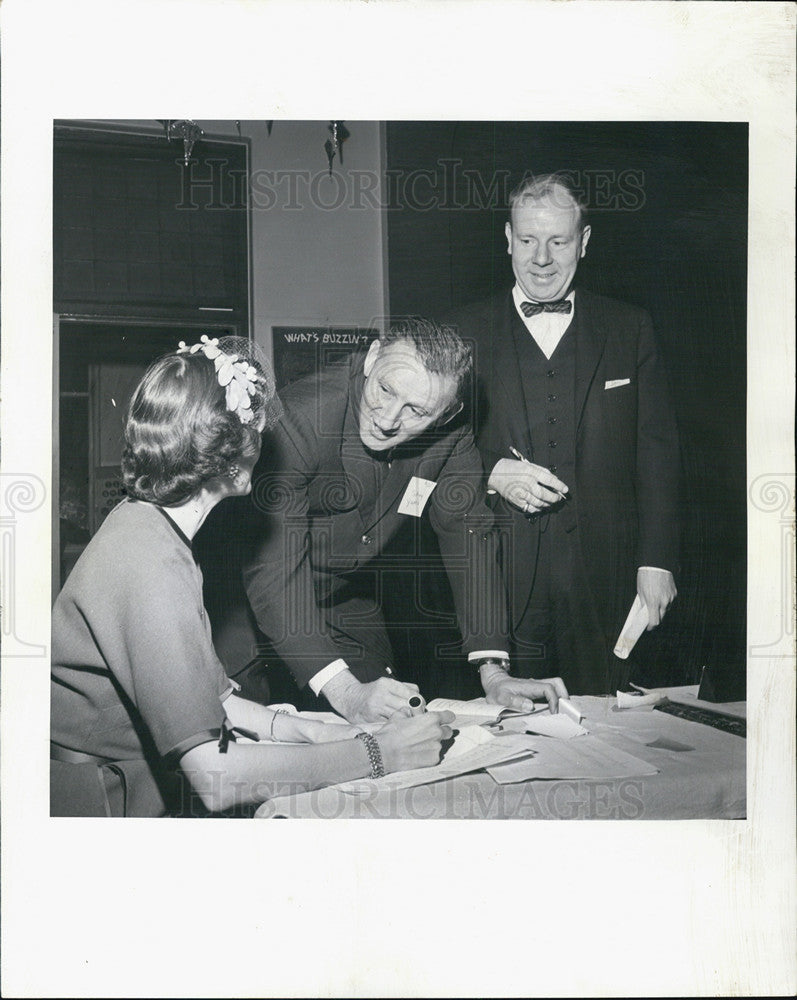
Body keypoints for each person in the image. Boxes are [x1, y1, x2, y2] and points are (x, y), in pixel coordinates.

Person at [50, 335, 455, 817]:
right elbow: (217, 778)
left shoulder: (152, 528)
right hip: (98, 805)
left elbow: (211, 698)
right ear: (229, 449)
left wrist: (314, 731)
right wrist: (377, 755)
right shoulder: (150, 561)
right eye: (256, 428)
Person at [202, 318, 568, 724]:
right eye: (386, 390)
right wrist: (345, 691)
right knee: (262, 739)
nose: (389, 419)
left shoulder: (451, 433)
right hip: (241, 608)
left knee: (396, 723)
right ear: (372, 358)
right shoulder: (300, 420)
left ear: (448, 413)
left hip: (341, 600)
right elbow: (273, 574)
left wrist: (493, 671)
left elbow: (469, 536)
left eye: (416, 410)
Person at [447, 174, 680, 695]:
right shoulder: (461, 332)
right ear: (508, 239)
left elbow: (658, 455)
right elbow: (428, 456)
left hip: (608, 575)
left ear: (585, 241)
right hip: (497, 574)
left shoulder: (630, 327)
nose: (542, 258)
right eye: (528, 240)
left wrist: (657, 558)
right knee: (514, 736)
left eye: (559, 241)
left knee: (609, 732)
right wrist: (492, 473)